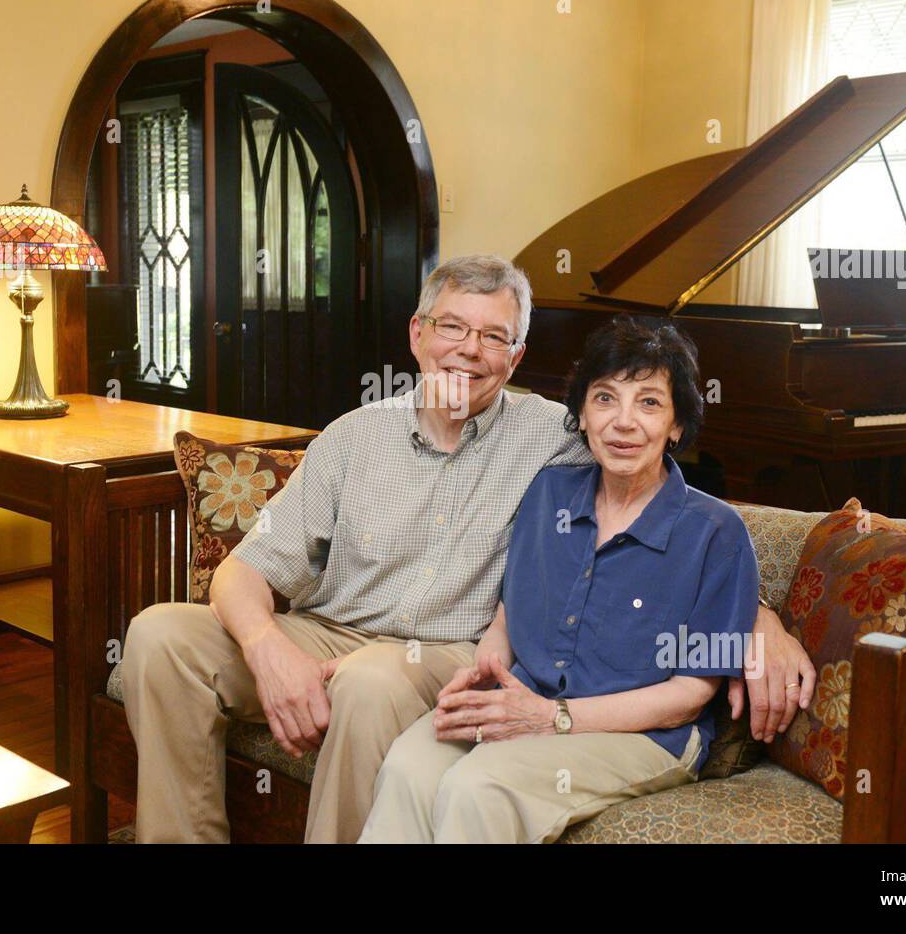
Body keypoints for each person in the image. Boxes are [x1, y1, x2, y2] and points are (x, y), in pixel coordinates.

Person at [119, 256, 815, 843]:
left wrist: (762, 619)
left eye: (493, 337)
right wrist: (270, 650)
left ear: (515, 358)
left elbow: (667, 510)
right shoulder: (352, 437)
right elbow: (244, 569)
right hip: (331, 631)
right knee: (160, 636)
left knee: (373, 679)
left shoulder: (559, 435)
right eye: (451, 326)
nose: (469, 350)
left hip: (442, 650)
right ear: (417, 335)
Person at [359, 317, 768, 843]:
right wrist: (485, 673)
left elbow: (690, 693)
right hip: (528, 698)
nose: (623, 422)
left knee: (479, 786)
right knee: (407, 767)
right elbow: (510, 613)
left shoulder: (715, 532)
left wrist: (552, 718)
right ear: (581, 414)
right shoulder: (549, 493)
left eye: (648, 403)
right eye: (604, 399)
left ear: (677, 425)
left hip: (648, 736)